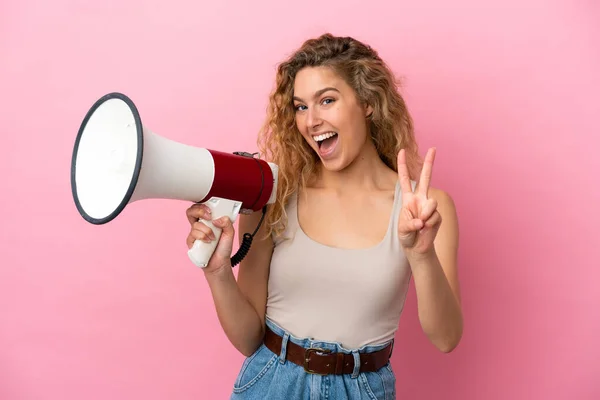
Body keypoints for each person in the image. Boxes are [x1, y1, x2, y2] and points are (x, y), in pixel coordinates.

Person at [185, 33, 463, 400]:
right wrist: (218, 271)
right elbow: (248, 338)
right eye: (300, 107)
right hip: (271, 383)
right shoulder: (274, 194)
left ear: (367, 102)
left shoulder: (425, 207)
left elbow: (446, 338)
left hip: (363, 389)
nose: (311, 121)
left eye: (327, 100)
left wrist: (422, 254)